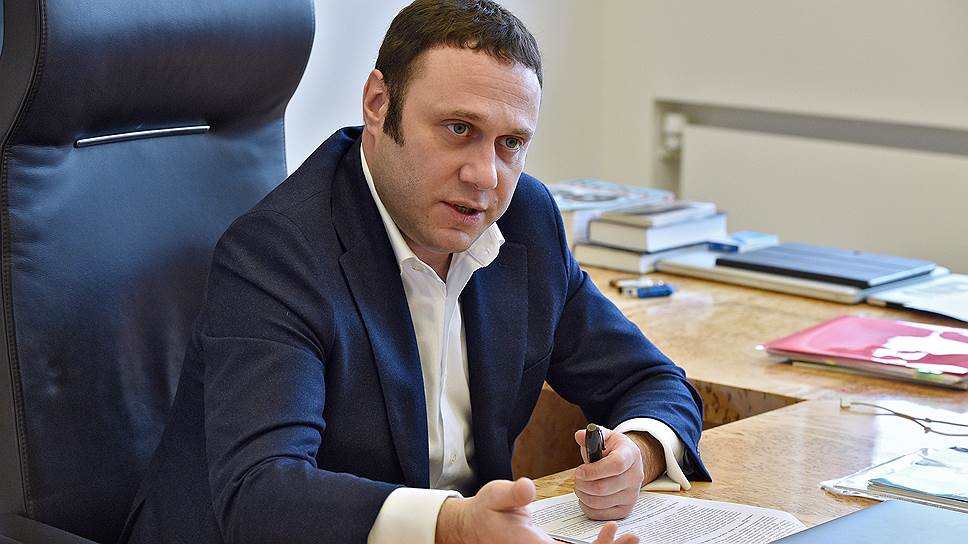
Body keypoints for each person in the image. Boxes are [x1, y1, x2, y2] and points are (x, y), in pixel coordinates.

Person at [120, 1, 710, 543]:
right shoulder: (278, 254)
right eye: (459, 130)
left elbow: (651, 380)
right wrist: (452, 525)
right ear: (378, 105)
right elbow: (262, 494)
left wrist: (638, 452)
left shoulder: (526, 221)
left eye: (510, 143)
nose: (485, 175)